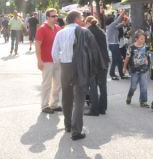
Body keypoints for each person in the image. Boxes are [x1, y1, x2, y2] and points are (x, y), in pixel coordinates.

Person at [52, 10, 101, 140]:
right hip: (80, 66)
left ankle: (68, 125)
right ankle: (76, 130)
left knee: (66, 97)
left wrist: (62, 62)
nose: (83, 20)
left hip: (65, 66)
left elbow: (54, 53)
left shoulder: (60, 33)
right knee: (79, 98)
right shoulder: (84, 32)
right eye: (81, 18)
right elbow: (93, 52)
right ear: (76, 19)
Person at [35, 8, 61, 114]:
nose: (56, 18)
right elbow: (37, 45)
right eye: (53, 16)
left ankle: (54, 104)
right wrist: (39, 60)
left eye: (56, 15)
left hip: (57, 60)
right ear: (47, 17)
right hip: (46, 61)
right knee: (47, 84)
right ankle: (45, 105)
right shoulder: (42, 29)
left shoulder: (58, 28)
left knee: (58, 83)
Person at [85, 16, 109, 115]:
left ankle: (94, 109)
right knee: (103, 86)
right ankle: (103, 108)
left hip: (94, 62)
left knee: (93, 86)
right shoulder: (101, 31)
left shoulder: (87, 32)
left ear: (87, 22)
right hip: (104, 61)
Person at [123, 29, 150, 108]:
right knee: (133, 87)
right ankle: (129, 96)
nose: (143, 40)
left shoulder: (146, 47)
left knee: (144, 86)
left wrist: (146, 60)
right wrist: (124, 67)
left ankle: (143, 101)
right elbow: (127, 58)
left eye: (144, 39)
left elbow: (146, 55)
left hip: (144, 69)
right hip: (134, 70)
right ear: (136, 39)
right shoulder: (131, 47)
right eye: (141, 39)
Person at [106, 11, 128, 79]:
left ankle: (118, 74)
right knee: (118, 60)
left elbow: (119, 25)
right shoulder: (111, 25)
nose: (114, 20)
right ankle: (115, 74)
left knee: (116, 60)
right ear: (111, 21)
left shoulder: (111, 27)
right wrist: (122, 14)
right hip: (114, 45)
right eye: (113, 19)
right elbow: (117, 21)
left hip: (113, 45)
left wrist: (124, 22)